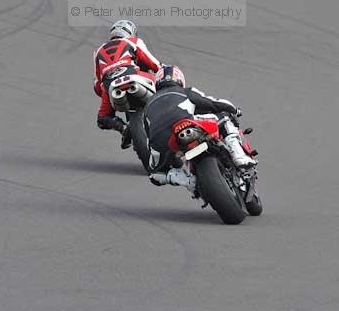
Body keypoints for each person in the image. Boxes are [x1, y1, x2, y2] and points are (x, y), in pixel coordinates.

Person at [145, 65, 256, 192]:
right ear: (180, 79)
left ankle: (186, 180)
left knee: (155, 173)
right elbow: (213, 103)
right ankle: (238, 156)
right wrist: (234, 110)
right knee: (225, 117)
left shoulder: (148, 105)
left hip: (161, 140)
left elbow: (147, 135)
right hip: (187, 125)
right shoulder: (185, 91)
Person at [94, 20, 162, 149]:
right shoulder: (133, 41)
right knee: (164, 86)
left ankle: (123, 128)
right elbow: (155, 64)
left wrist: (106, 93)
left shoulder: (98, 51)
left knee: (102, 118)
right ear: (130, 32)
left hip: (111, 85)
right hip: (134, 76)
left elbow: (97, 83)